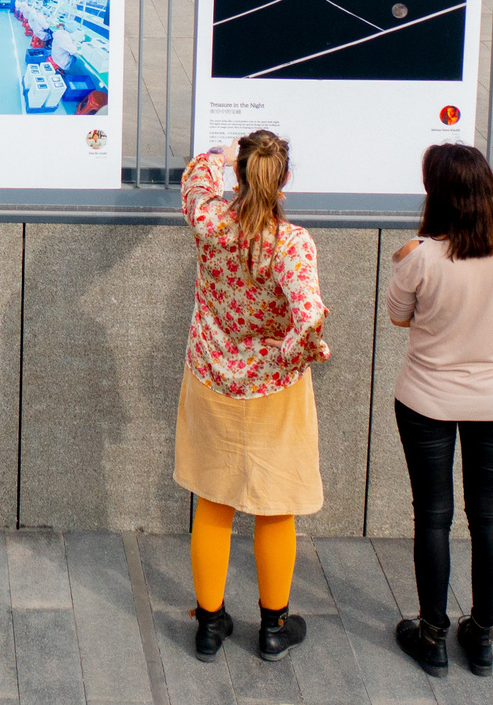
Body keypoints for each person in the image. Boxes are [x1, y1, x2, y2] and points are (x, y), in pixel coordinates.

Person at [386, 142, 493, 679]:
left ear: (436, 194)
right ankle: (481, 637)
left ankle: (431, 636)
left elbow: (398, 316)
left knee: (433, 516)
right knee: (489, 516)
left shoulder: (420, 256)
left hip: (426, 400)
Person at [176, 130, 328, 664]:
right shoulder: (291, 243)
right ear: (283, 181)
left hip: (211, 374)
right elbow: (309, 313)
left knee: (213, 501)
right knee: (276, 507)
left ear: (240, 175)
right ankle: (273, 627)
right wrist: (296, 352)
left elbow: (194, 186)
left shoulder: (211, 222)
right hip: (273, 390)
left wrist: (215, 158)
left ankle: (209, 623)